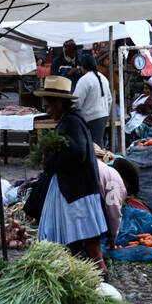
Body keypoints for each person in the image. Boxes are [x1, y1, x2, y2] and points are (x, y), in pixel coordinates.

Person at [30, 77, 108, 274]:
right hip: (76, 188)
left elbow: (77, 153)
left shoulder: (71, 122)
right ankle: (89, 270)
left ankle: (97, 271)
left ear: (59, 102)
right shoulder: (70, 120)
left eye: (49, 105)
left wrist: (51, 162)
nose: (48, 110)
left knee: (83, 233)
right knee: (83, 232)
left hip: (76, 189)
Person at [72, 52, 113, 147]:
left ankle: (95, 162)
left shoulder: (85, 79)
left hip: (90, 118)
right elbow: (110, 100)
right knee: (98, 144)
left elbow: (76, 101)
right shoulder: (103, 78)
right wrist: (106, 113)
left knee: (91, 146)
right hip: (103, 116)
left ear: (83, 67)